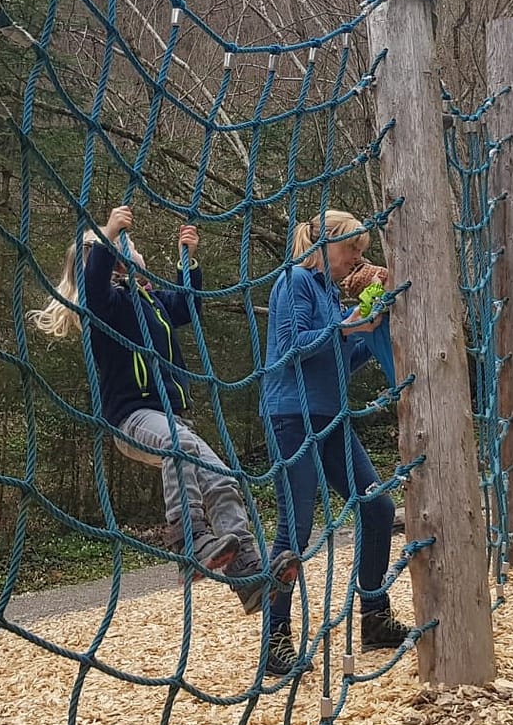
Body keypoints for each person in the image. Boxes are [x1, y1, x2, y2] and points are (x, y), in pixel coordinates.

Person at [30, 205, 297, 613]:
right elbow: (94, 286)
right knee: (179, 446)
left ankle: (247, 572)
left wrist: (187, 262)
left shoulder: (148, 299)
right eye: (129, 248)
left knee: (222, 479)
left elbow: (186, 308)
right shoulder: (105, 306)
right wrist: (109, 234)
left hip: (172, 418)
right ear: (115, 262)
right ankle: (189, 540)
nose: (136, 250)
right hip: (132, 418)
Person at [259, 210, 413, 674]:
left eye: (361, 252)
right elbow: (292, 345)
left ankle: (374, 616)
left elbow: (341, 357)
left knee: (378, 507)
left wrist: (372, 325)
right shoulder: (295, 282)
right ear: (324, 245)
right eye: (351, 249)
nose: (355, 259)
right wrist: (347, 327)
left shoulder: (327, 292)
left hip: (331, 417)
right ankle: (275, 640)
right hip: (292, 415)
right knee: (295, 528)